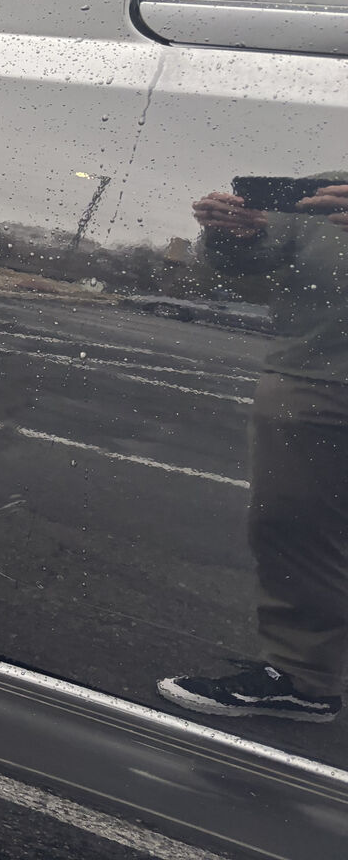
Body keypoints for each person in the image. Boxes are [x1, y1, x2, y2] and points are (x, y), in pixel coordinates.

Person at [158, 179, 348, 722]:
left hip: (312, 377)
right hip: (314, 375)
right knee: (291, 527)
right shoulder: (320, 190)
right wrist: (229, 236)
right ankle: (304, 678)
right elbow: (247, 268)